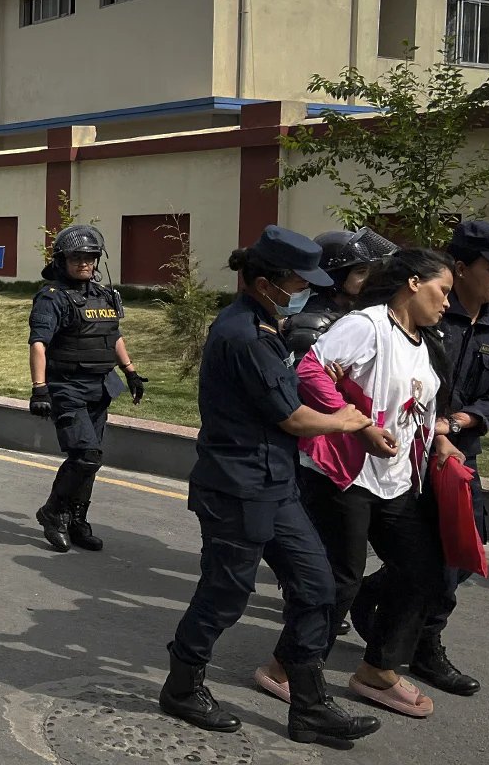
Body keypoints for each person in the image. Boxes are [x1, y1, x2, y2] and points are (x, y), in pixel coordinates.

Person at [161, 225, 380, 744]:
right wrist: (349, 421)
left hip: (275, 483)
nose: (304, 288)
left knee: (317, 588)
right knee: (225, 594)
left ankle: (308, 706)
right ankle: (182, 684)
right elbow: (294, 420)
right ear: (265, 281)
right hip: (237, 486)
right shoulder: (243, 335)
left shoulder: (267, 323)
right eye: (297, 280)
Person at [272, 248, 456, 719]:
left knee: (422, 570)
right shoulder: (367, 325)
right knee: (340, 579)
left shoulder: (424, 339)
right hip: (345, 474)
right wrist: (356, 426)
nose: (446, 303)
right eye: (442, 291)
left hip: (396, 480)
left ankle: (377, 670)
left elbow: (419, 405)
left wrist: (438, 440)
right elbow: (310, 370)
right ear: (413, 283)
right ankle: (287, 668)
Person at [355, 221, 489, 698]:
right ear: (460, 268)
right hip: (408, 453)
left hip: (457, 456)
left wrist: (460, 422)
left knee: (466, 552)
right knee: (435, 560)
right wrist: (434, 426)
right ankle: (426, 645)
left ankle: (380, 592)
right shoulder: (424, 318)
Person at [27, 225, 146, 553]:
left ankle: (78, 520)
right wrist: (40, 389)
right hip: (67, 387)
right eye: (77, 257)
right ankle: (53, 511)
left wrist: (131, 372)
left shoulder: (104, 295)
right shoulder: (51, 298)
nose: (84, 262)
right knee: (86, 455)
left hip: (100, 387)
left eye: (90, 256)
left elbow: (113, 334)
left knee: (93, 458)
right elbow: (39, 343)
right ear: (62, 260)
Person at [284, 228, 398, 358]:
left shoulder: (358, 311)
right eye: (361, 272)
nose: (369, 278)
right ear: (336, 277)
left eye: (370, 272)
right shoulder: (313, 323)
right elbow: (305, 374)